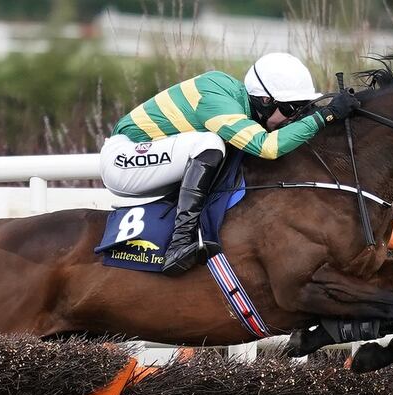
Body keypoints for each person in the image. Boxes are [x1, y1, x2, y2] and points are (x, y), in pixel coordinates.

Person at [100, 52, 360, 276]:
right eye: (292, 109)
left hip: (152, 162)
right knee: (209, 144)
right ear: (265, 101)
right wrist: (324, 116)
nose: (293, 118)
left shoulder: (238, 101)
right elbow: (266, 147)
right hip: (123, 161)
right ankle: (179, 244)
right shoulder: (218, 102)